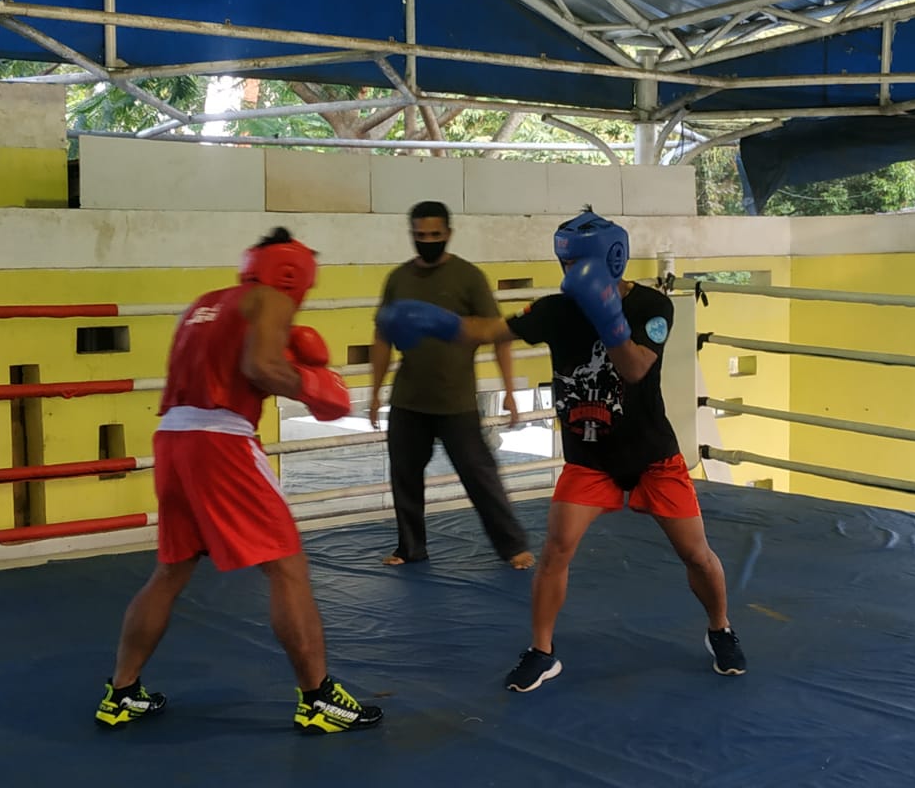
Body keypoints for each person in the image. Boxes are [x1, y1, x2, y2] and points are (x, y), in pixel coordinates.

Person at [374, 208, 746, 693]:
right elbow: (490, 330)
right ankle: (542, 651)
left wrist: (606, 315)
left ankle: (720, 627)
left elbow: (634, 370)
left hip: (651, 454)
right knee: (555, 551)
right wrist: (438, 323)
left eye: (579, 265)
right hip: (590, 459)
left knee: (697, 555)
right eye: (566, 264)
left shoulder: (652, 307)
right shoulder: (555, 309)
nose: (571, 274)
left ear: (611, 259)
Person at [94, 227, 384, 734]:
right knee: (287, 567)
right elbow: (261, 366)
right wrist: (319, 388)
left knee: (171, 571)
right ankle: (317, 699)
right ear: (292, 273)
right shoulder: (270, 298)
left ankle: (121, 693)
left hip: (173, 440)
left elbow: (228, 365)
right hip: (220, 441)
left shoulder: (207, 303)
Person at [368, 200, 535, 570]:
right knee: (404, 477)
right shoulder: (398, 279)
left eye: (434, 235)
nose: (427, 241)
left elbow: (500, 334)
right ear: (412, 235)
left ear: (448, 234)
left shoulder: (467, 277)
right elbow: (382, 337)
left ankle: (512, 547)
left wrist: (509, 390)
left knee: (480, 475)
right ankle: (410, 547)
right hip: (409, 398)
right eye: (420, 235)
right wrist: (375, 392)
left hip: (455, 401)